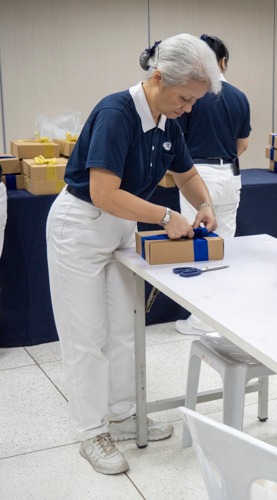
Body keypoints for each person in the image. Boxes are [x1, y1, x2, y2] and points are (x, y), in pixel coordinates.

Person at [46, 34, 220, 475]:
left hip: (121, 225)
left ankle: (122, 414)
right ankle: (91, 432)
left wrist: (203, 205)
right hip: (81, 224)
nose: (189, 107)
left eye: (195, 100)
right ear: (158, 78)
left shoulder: (168, 120)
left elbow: (187, 174)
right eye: (185, 97)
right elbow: (104, 192)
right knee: (87, 336)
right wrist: (165, 217)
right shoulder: (115, 113)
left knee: (125, 328)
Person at [174, 34, 251, 336]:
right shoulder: (239, 96)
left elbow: (176, 144)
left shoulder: (190, 96)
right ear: (222, 62)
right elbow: (242, 144)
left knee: (198, 247)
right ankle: (222, 318)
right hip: (229, 175)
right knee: (225, 248)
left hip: (196, 175)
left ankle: (199, 321)